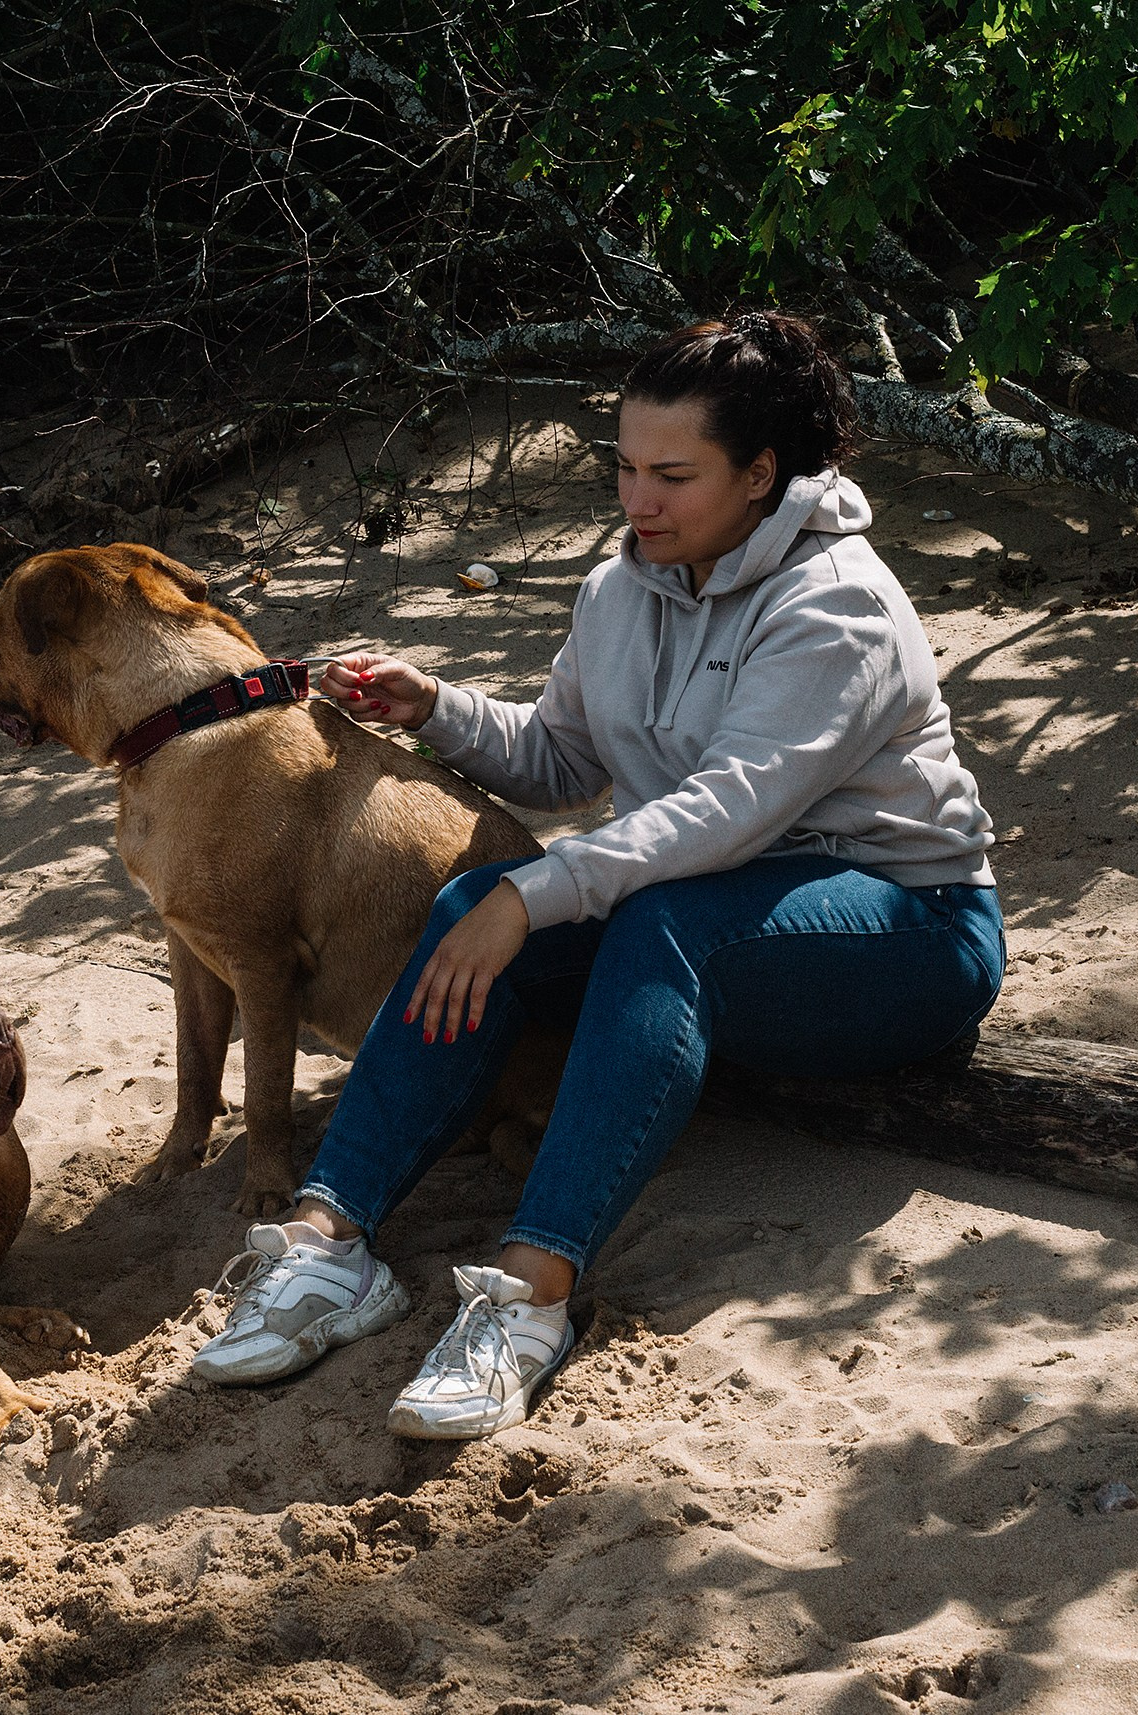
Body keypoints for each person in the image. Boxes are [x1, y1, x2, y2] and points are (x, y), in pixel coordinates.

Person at [189, 311, 1006, 1439]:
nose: (638, 500)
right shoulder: (626, 584)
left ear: (762, 473)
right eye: (625, 466)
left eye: (675, 474)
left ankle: (533, 1293)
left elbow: (724, 812)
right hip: (699, 912)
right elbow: (567, 759)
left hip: (904, 932)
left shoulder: (840, 608)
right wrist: (436, 709)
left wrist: (544, 889)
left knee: (641, 915)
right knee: (480, 897)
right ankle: (334, 1245)